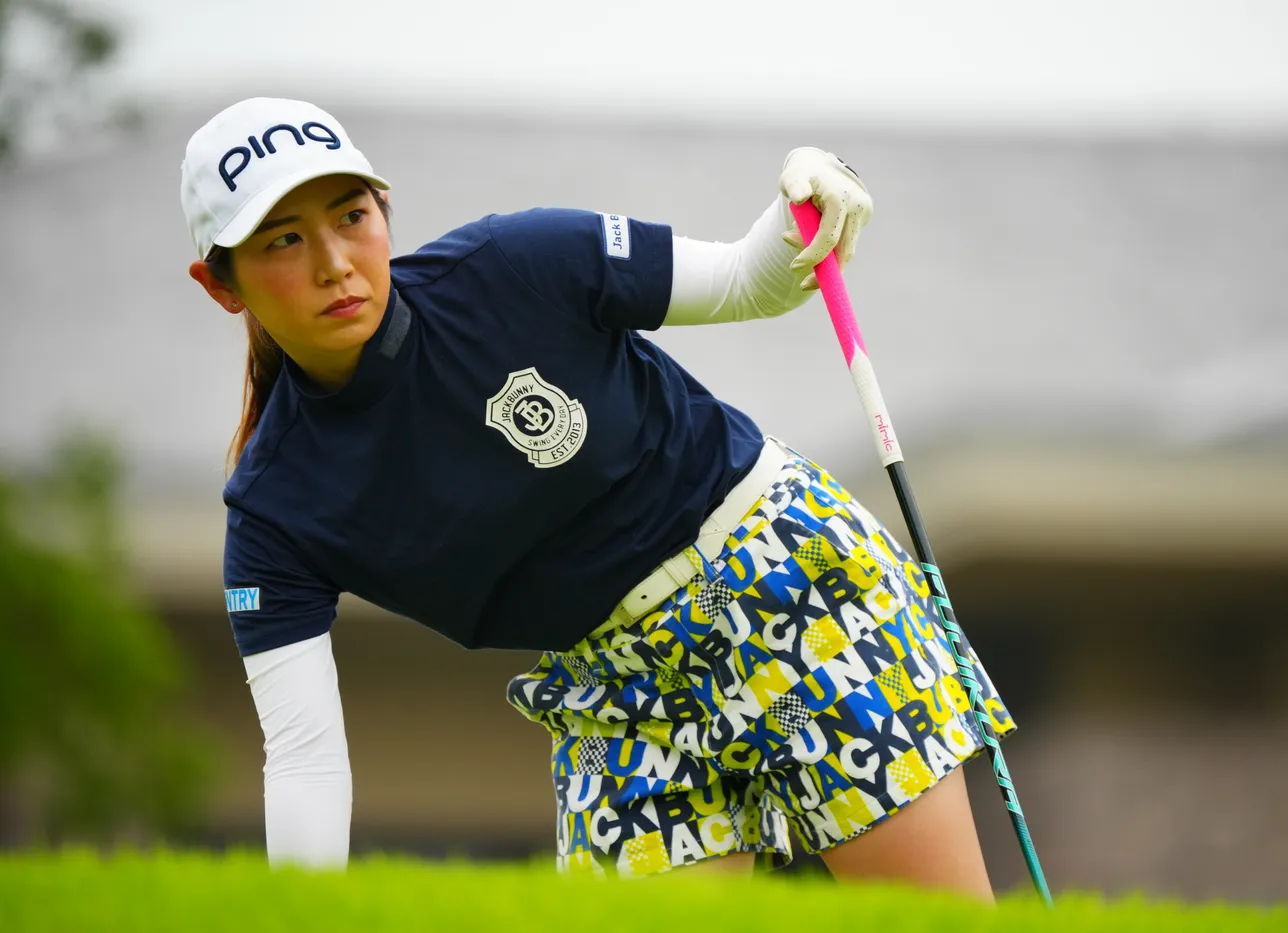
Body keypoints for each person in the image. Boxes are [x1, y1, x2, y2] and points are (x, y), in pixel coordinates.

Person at [180, 97, 1016, 898]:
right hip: (617, 699)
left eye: (351, 216)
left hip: (785, 591)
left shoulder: (513, 264)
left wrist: (810, 189)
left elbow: (747, 279)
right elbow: (305, 759)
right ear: (222, 286)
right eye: (284, 239)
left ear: (384, 212)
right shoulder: (275, 513)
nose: (334, 262)